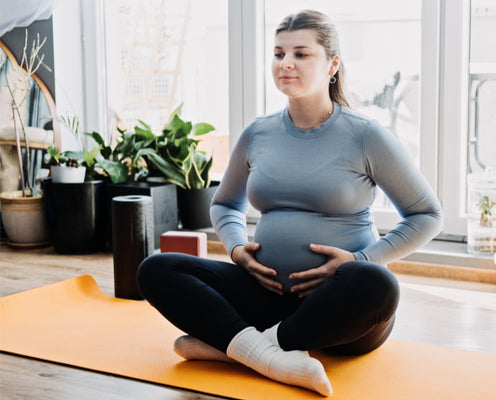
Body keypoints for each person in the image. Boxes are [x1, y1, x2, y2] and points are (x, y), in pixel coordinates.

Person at [137, 9, 443, 397]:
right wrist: (236, 250)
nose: (286, 63)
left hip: (340, 314)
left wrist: (359, 261)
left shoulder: (365, 136)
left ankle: (239, 347)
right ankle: (269, 353)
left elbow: (427, 214)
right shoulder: (258, 133)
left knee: (378, 283)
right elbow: (225, 203)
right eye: (279, 53)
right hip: (265, 296)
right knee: (157, 269)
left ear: (332, 65)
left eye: (301, 54)